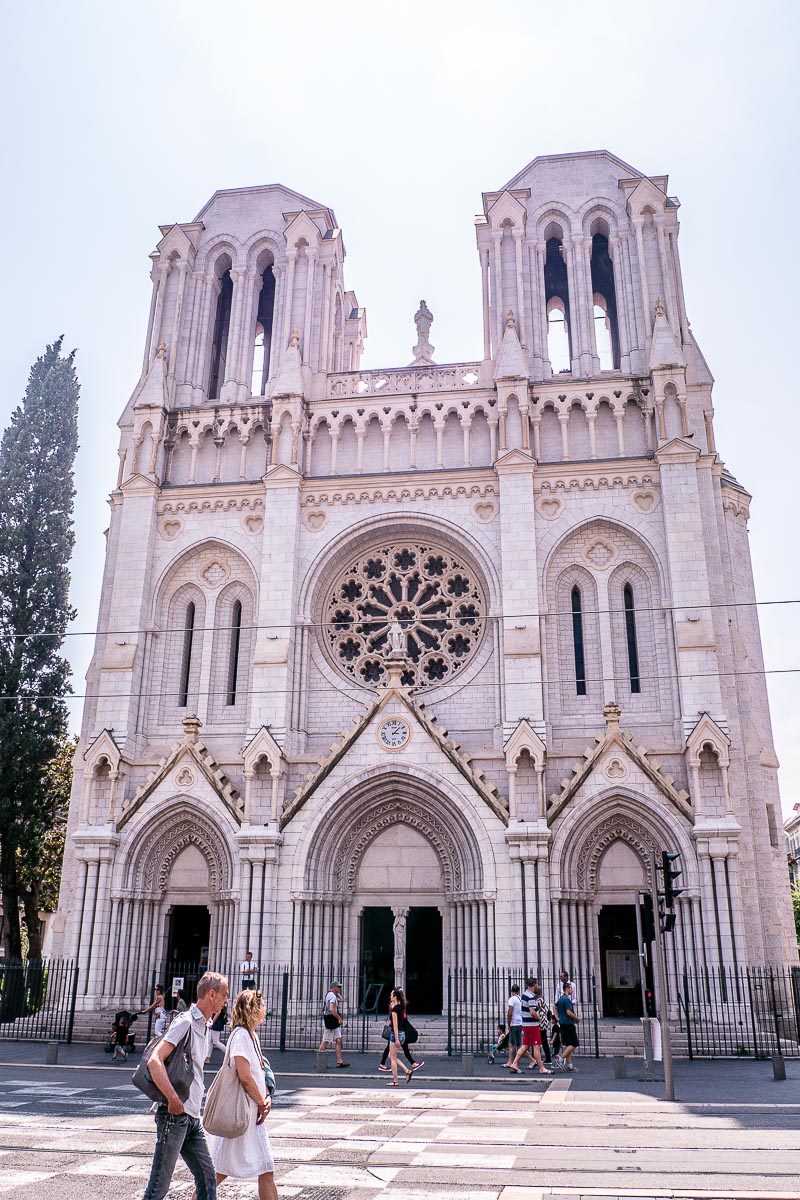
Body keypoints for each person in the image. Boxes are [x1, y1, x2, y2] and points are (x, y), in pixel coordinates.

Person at [140, 970, 229, 1200]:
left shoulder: (205, 1026)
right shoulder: (186, 1022)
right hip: (175, 1116)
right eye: (224, 995)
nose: (226, 1000)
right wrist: (173, 1100)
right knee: (158, 1187)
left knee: (208, 1178)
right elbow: (155, 1061)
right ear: (211, 994)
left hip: (191, 1117)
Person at [204, 988, 277, 1200]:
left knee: (265, 1168)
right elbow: (244, 1076)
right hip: (242, 1113)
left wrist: (267, 1097)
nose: (265, 1009)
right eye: (262, 1005)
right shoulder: (241, 1036)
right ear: (253, 1009)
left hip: (251, 1116)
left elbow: (260, 1073)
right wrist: (262, 1101)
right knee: (219, 1172)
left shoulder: (252, 1036)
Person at [510, 976, 552, 1075]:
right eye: (536, 984)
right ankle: (541, 1068)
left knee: (525, 1046)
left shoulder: (524, 994)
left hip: (525, 1024)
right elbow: (532, 1012)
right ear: (534, 985)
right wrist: (539, 1018)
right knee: (536, 1046)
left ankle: (515, 1063)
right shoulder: (531, 997)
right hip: (532, 1025)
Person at [378, 993, 423, 1074]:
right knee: (392, 1054)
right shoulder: (395, 1007)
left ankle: (412, 1064)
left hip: (398, 1031)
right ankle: (407, 1068)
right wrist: (397, 1038)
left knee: (395, 1049)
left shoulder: (398, 1006)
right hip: (396, 1031)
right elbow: (396, 1022)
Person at [385, 987, 412, 1086]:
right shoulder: (400, 1006)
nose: (390, 996)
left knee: (392, 1058)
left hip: (396, 1034)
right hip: (402, 1033)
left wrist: (396, 1039)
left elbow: (395, 1025)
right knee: (391, 1056)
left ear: (395, 997)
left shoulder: (395, 1009)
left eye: (391, 995)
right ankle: (407, 1071)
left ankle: (395, 1081)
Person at [318, 981, 349, 1068]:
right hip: (331, 1020)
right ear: (334, 987)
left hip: (332, 1020)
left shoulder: (331, 995)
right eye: (338, 987)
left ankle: (340, 1061)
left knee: (338, 1040)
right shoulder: (332, 996)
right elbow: (332, 1009)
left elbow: (342, 1000)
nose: (340, 988)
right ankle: (320, 1062)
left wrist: (337, 993)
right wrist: (339, 1018)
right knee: (325, 1040)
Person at [554, 982, 580, 1070]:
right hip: (568, 1023)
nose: (572, 990)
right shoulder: (567, 999)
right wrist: (576, 1019)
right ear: (567, 989)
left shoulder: (561, 999)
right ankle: (561, 1058)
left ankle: (569, 1065)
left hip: (562, 1023)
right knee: (574, 1043)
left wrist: (557, 1017)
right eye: (571, 988)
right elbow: (569, 1012)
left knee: (568, 1043)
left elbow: (555, 1006)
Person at [532, 982, 554, 1065]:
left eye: (535, 992)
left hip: (541, 1022)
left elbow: (535, 1008)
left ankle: (547, 1058)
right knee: (542, 1040)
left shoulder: (539, 999)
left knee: (543, 1040)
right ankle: (545, 1057)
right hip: (542, 1021)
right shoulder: (540, 998)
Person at [504, 984, 523, 1068]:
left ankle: (517, 1062)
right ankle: (510, 1061)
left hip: (514, 1023)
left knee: (518, 1045)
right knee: (511, 1043)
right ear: (518, 991)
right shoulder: (520, 999)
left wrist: (508, 1024)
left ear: (511, 991)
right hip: (519, 1022)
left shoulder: (512, 999)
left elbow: (509, 1013)